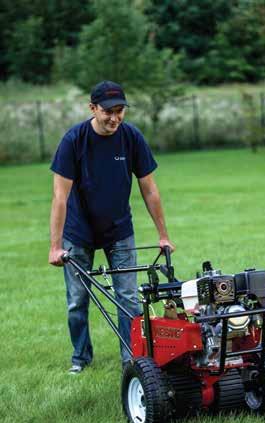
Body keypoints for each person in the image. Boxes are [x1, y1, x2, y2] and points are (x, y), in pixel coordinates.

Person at [49, 80, 174, 374]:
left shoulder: (131, 137)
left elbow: (150, 189)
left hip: (119, 230)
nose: (115, 118)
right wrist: (55, 246)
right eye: (108, 111)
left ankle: (131, 360)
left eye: (120, 111)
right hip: (78, 232)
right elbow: (59, 197)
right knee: (77, 301)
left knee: (128, 298)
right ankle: (81, 357)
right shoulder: (73, 140)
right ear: (93, 109)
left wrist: (163, 235)